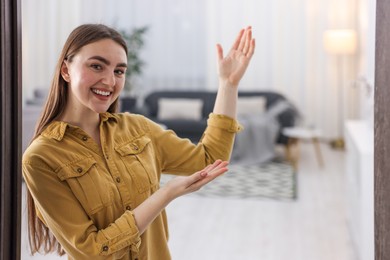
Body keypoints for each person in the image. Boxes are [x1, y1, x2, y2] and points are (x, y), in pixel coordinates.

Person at [22, 23, 255, 260]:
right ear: (66, 70)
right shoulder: (41, 158)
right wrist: (166, 194)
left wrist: (228, 85)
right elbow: (93, 252)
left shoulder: (138, 128)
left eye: (119, 71)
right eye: (96, 66)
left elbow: (209, 160)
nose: (110, 81)